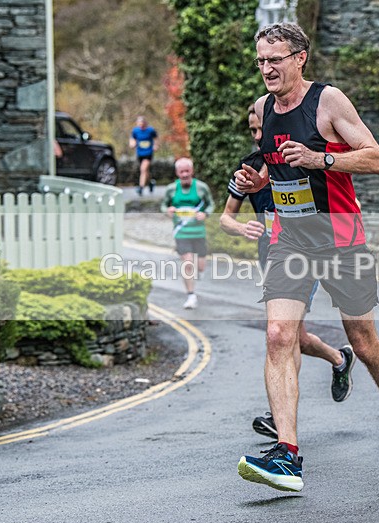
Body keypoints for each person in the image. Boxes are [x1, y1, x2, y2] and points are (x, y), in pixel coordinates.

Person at [234, 22, 379, 492]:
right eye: (260, 60)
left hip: (341, 240)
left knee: (362, 342)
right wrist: (263, 184)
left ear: (300, 58)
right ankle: (287, 455)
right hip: (291, 240)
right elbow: (283, 173)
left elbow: (378, 159)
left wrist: (323, 160)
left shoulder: (329, 101)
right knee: (279, 334)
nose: (267, 69)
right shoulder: (263, 109)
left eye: (275, 59)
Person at [219, 104, 357, 439]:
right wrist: (241, 229)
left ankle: (277, 419)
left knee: (283, 333)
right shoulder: (250, 166)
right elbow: (226, 217)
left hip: (303, 248)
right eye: (252, 131)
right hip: (271, 254)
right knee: (294, 335)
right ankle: (339, 358)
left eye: (260, 129)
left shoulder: (298, 155)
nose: (257, 136)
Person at [161, 158, 214, 310]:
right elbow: (164, 205)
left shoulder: (202, 187)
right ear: (177, 173)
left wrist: (205, 213)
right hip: (181, 232)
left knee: (201, 266)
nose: (184, 174)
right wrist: (168, 211)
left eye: (187, 171)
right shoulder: (171, 189)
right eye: (181, 172)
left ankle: (200, 272)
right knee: (188, 263)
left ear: (192, 171)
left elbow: (210, 204)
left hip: (198, 231)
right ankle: (191, 295)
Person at [129, 115, 158, 196]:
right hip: (140, 153)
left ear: (145, 123)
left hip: (148, 153)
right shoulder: (135, 131)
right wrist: (132, 144)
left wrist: (155, 145)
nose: (140, 125)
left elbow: (155, 138)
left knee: (143, 169)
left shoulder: (150, 130)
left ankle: (141, 188)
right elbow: (132, 139)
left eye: (142, 123)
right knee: (145, 171)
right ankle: (150, 182)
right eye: (139, 123)